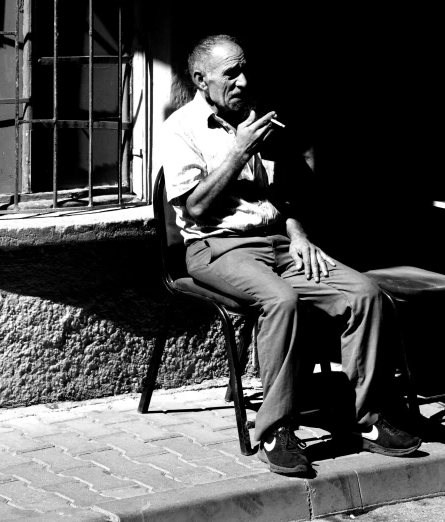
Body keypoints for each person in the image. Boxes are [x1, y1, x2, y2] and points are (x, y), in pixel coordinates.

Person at [160, 34, 420, 476]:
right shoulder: (180, 129)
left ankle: (370, 419)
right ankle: (276, 431)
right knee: (281, 300)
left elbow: (280, 197)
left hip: (279, 243)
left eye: (244, 70)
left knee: (365, 293)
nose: (243, 81)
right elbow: (196, 209)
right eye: (231, 74)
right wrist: (239, 150)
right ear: (201, 80)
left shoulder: (260, 119)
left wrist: (298, 234)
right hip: (216, 246)